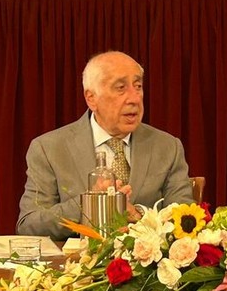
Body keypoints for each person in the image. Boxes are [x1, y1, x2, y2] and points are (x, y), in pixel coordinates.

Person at [17, 51, 193, 240]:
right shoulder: (49, 148)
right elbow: (30, 225)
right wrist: (88, 204)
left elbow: (185, 221)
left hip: (145, 258)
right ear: (91, 98)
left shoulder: (168, 147)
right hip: (77, 259)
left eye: (138, 86)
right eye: (120, 88)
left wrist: (138, 215)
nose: (134, 99)